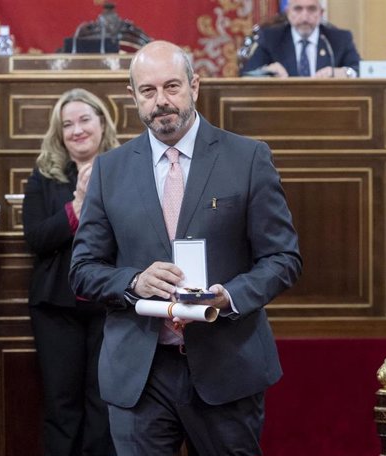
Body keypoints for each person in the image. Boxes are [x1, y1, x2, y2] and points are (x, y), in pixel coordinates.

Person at [69, 40, 302, 455]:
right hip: (140, 373)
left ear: (195, 85)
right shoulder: (110, 170)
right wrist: (135, 281)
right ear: (133, 97)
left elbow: (283, 259)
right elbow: (83, 268)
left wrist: (228, 297)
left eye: (172, 87)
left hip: (226, 366)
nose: (162, 101)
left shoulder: (248, 158)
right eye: (148, 91)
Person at [22, 88, 119, 456]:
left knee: (104, 404)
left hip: (109, 306)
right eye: (67, 125)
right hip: (56, 308)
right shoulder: (44, 175)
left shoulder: (125, 167)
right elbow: (36, 239)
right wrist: (77, 204)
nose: (77, 130)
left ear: (101, 123)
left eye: (84, 120)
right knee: (62, 406)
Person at [241, 0, 361, 78]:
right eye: (298, 9)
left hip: (329, 108)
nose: (304, 16)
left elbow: (361, 70)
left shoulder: (339, 39)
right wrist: (267, 71)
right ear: (288, 12)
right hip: (282, 108)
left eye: (311, 9)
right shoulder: (271, 38)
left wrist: (344, 72)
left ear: (321, 13)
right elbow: (247, 74)